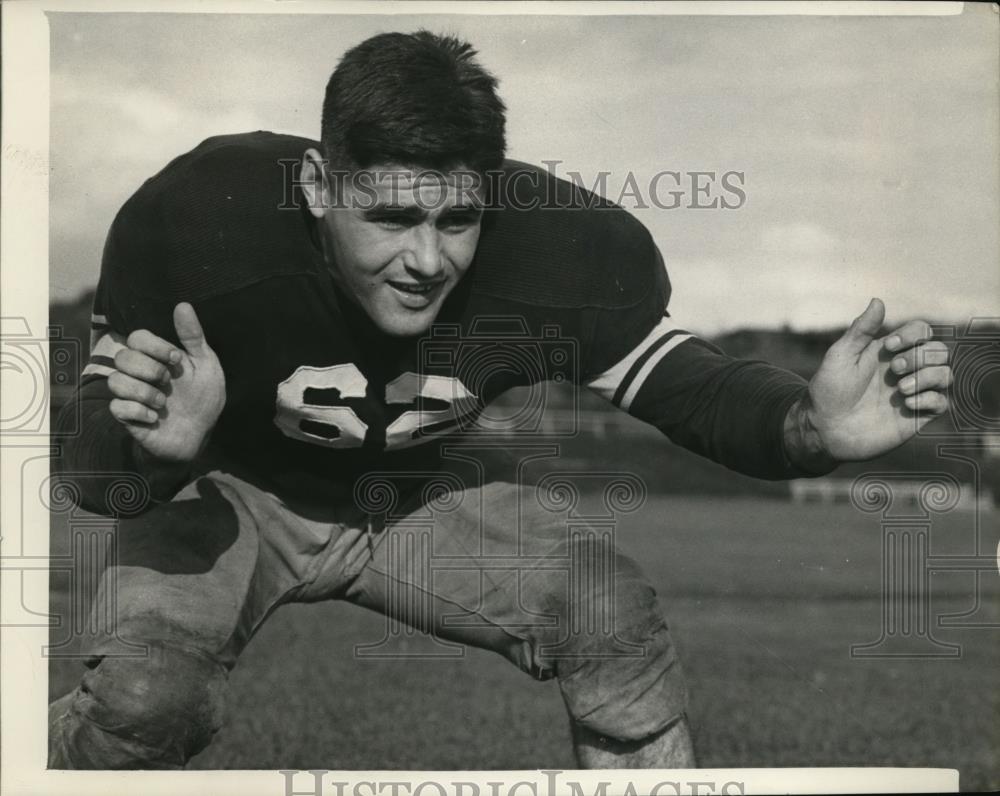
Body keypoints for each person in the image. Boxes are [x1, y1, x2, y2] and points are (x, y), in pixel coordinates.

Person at [48, 31, 952, 770]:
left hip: (423, 490)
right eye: (394, 218)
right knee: (141, 703)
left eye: (457, 218)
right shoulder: (202, 222)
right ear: (320, 187)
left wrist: (808, 425)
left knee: (610, 616)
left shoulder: (558, 249)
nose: (429, 260)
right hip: (231, 486)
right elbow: (86, 468)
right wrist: (149, 451)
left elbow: (695, 389)